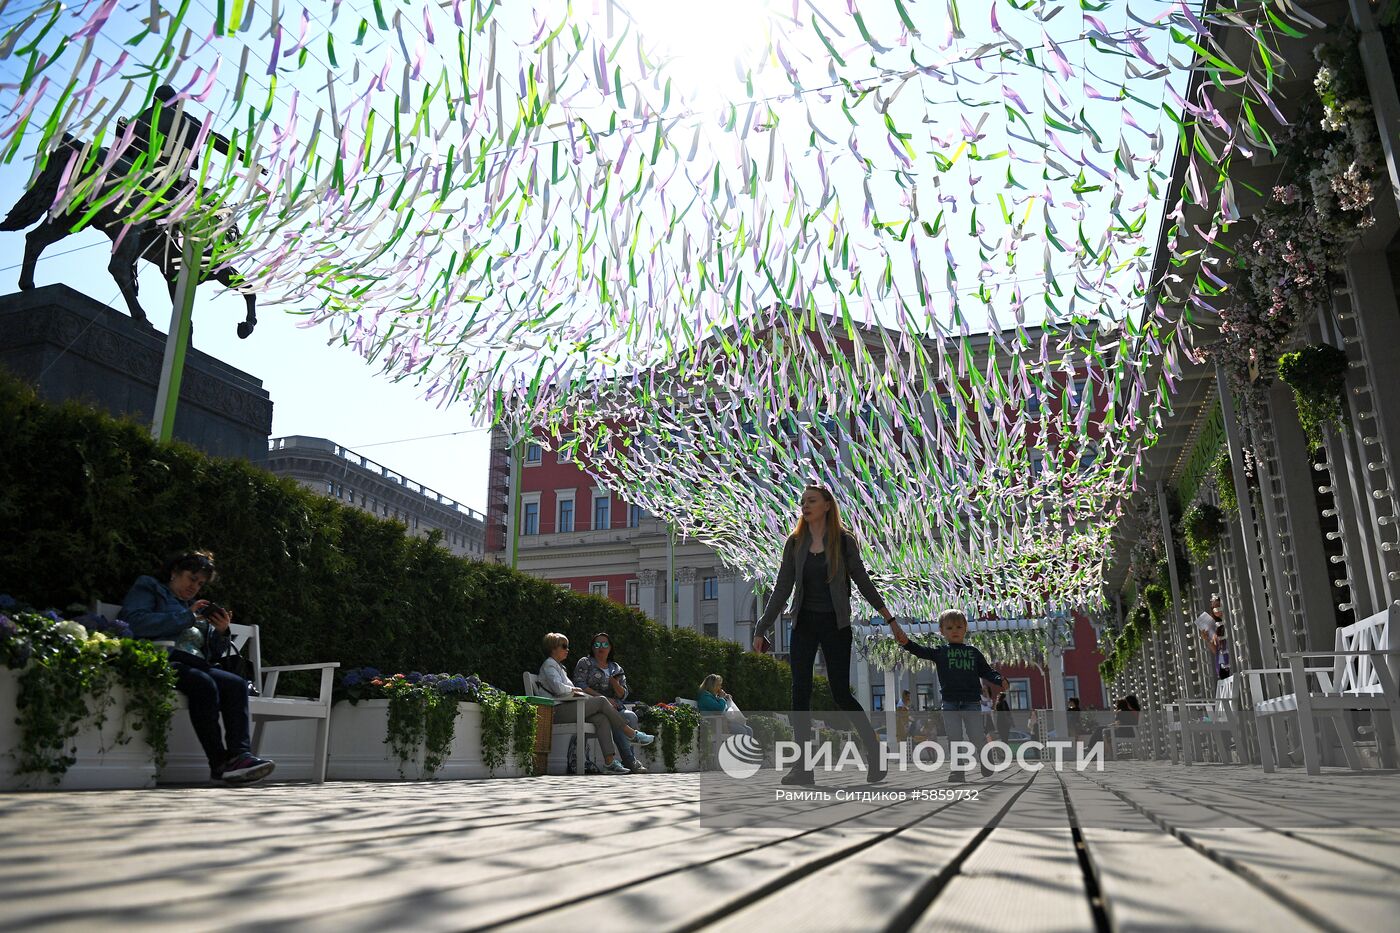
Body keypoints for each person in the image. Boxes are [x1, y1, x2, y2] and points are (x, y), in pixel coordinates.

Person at [753, 485, 897, 785]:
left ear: (828, 505)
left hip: (835, 625)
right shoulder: (794, 543)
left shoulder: (844, 542)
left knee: (841, 694)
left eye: (812, 501)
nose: (805, 505)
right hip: (804, 623)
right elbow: (782, 588)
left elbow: (861, 579)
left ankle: (874, 751)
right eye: (802, 501)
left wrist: (888, 616)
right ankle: (803, 768)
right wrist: (762, 626)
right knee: (799, 692)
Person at [118, 549, 275, 784]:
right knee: (204, 684)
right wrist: (187, 617)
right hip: (161, 658)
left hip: (196, 663)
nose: (194, 587)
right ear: (174, 572)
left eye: (200, 584)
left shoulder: (195, 606)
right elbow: (134, 622)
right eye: (192, 578)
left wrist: (222, 632)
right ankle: (219, 763)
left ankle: (240, 756)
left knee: (235, 685)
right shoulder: (151, 587)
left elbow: (212, 652)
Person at [889, 610, 1007, 781]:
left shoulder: (972, 652)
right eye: (949, 627)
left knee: (976, 735)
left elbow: (987, 671)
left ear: (965, 628)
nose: (955, 631)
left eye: (959, 627)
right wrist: (907, 643)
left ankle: (985, 759)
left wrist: (999, 680)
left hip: (971, 703)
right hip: (950, 703)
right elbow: (921, 651)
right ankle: (958, 771)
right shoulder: (941, 652)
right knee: (954, 737)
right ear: (942, 631)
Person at [538, 633, 654, 775]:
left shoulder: (559, 667)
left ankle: (609, 762)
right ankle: (631, 733)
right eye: (564, 646)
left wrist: (612, 684)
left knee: (601, 719)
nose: (567, 649)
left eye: (567, 646)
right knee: (602, 701)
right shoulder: (549, 665)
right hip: (555, 711)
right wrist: (574, 689)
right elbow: (559, 688)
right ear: (553, 648)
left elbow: (623, 694)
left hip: (570, 707)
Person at [573, 632, 646, 773]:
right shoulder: (585, 662)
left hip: (615, 707)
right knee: (613, 718)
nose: (601, 647)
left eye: (605, 644)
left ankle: (627, 760)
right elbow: (579, 684)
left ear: (610, 647)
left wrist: (615, 683)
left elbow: (623, 694)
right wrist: (603, 699)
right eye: (597, 644)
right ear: (592, 647)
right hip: (592, 706)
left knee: (630, 716)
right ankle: (630, 761)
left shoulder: (616, 668)